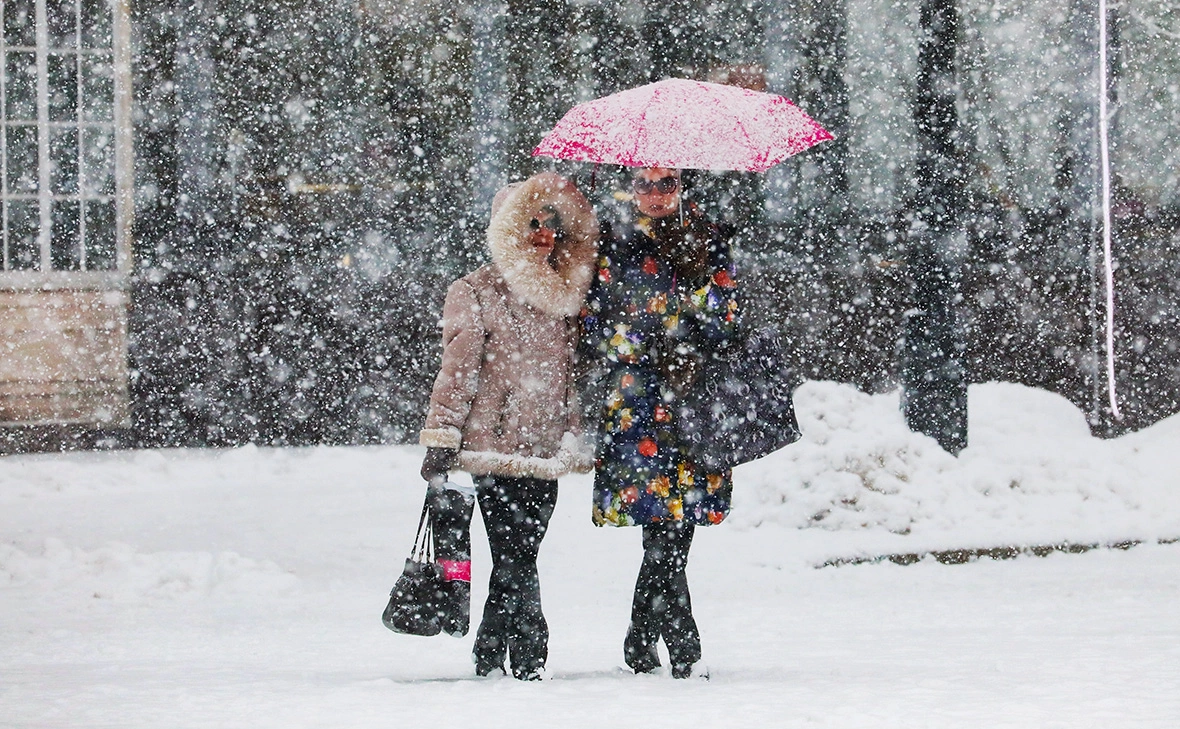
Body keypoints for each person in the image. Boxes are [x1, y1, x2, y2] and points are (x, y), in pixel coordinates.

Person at [418, 171, 597, 680]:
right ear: (506, 229)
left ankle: (488, 649)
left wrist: (577, 432)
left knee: (520, 554)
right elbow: (457, 371)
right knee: (515, 554)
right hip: (492, 446)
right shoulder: (474, 291)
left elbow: (575, 376)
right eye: (531, 223)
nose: (543, 234)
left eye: (551, 225)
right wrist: (442, 436)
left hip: (546, 448)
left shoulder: (568, 295)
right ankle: (530, 655)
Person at [581, 166, 740, 679]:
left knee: (678, 524)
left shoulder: (709, 239)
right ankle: (681, 642)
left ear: (682, 185)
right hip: (637, 400)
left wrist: (688, 317)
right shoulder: (610, 241)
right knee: (660, 524)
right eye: (644, 184)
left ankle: (642, 636)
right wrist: (644, 341)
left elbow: (725, 315)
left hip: (693, 397)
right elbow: (595, 320)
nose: (654, 194)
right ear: (631, 187)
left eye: (666, 182)